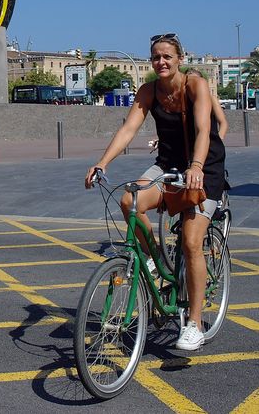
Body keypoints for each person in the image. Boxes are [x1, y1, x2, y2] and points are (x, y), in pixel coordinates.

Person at [85, 34, 227, 352]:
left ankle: (193, 323)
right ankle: (152, 260)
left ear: (179, 58)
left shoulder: (195, 85)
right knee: (129, 201)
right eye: (155, 57)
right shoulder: (148, 91)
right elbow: (128, 129)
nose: (160, 62)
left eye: (166, 56)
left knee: (191, 241)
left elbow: (205, 129)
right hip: (167, 166)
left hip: (204, 168)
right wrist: (102, 163)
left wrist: (197, 166)